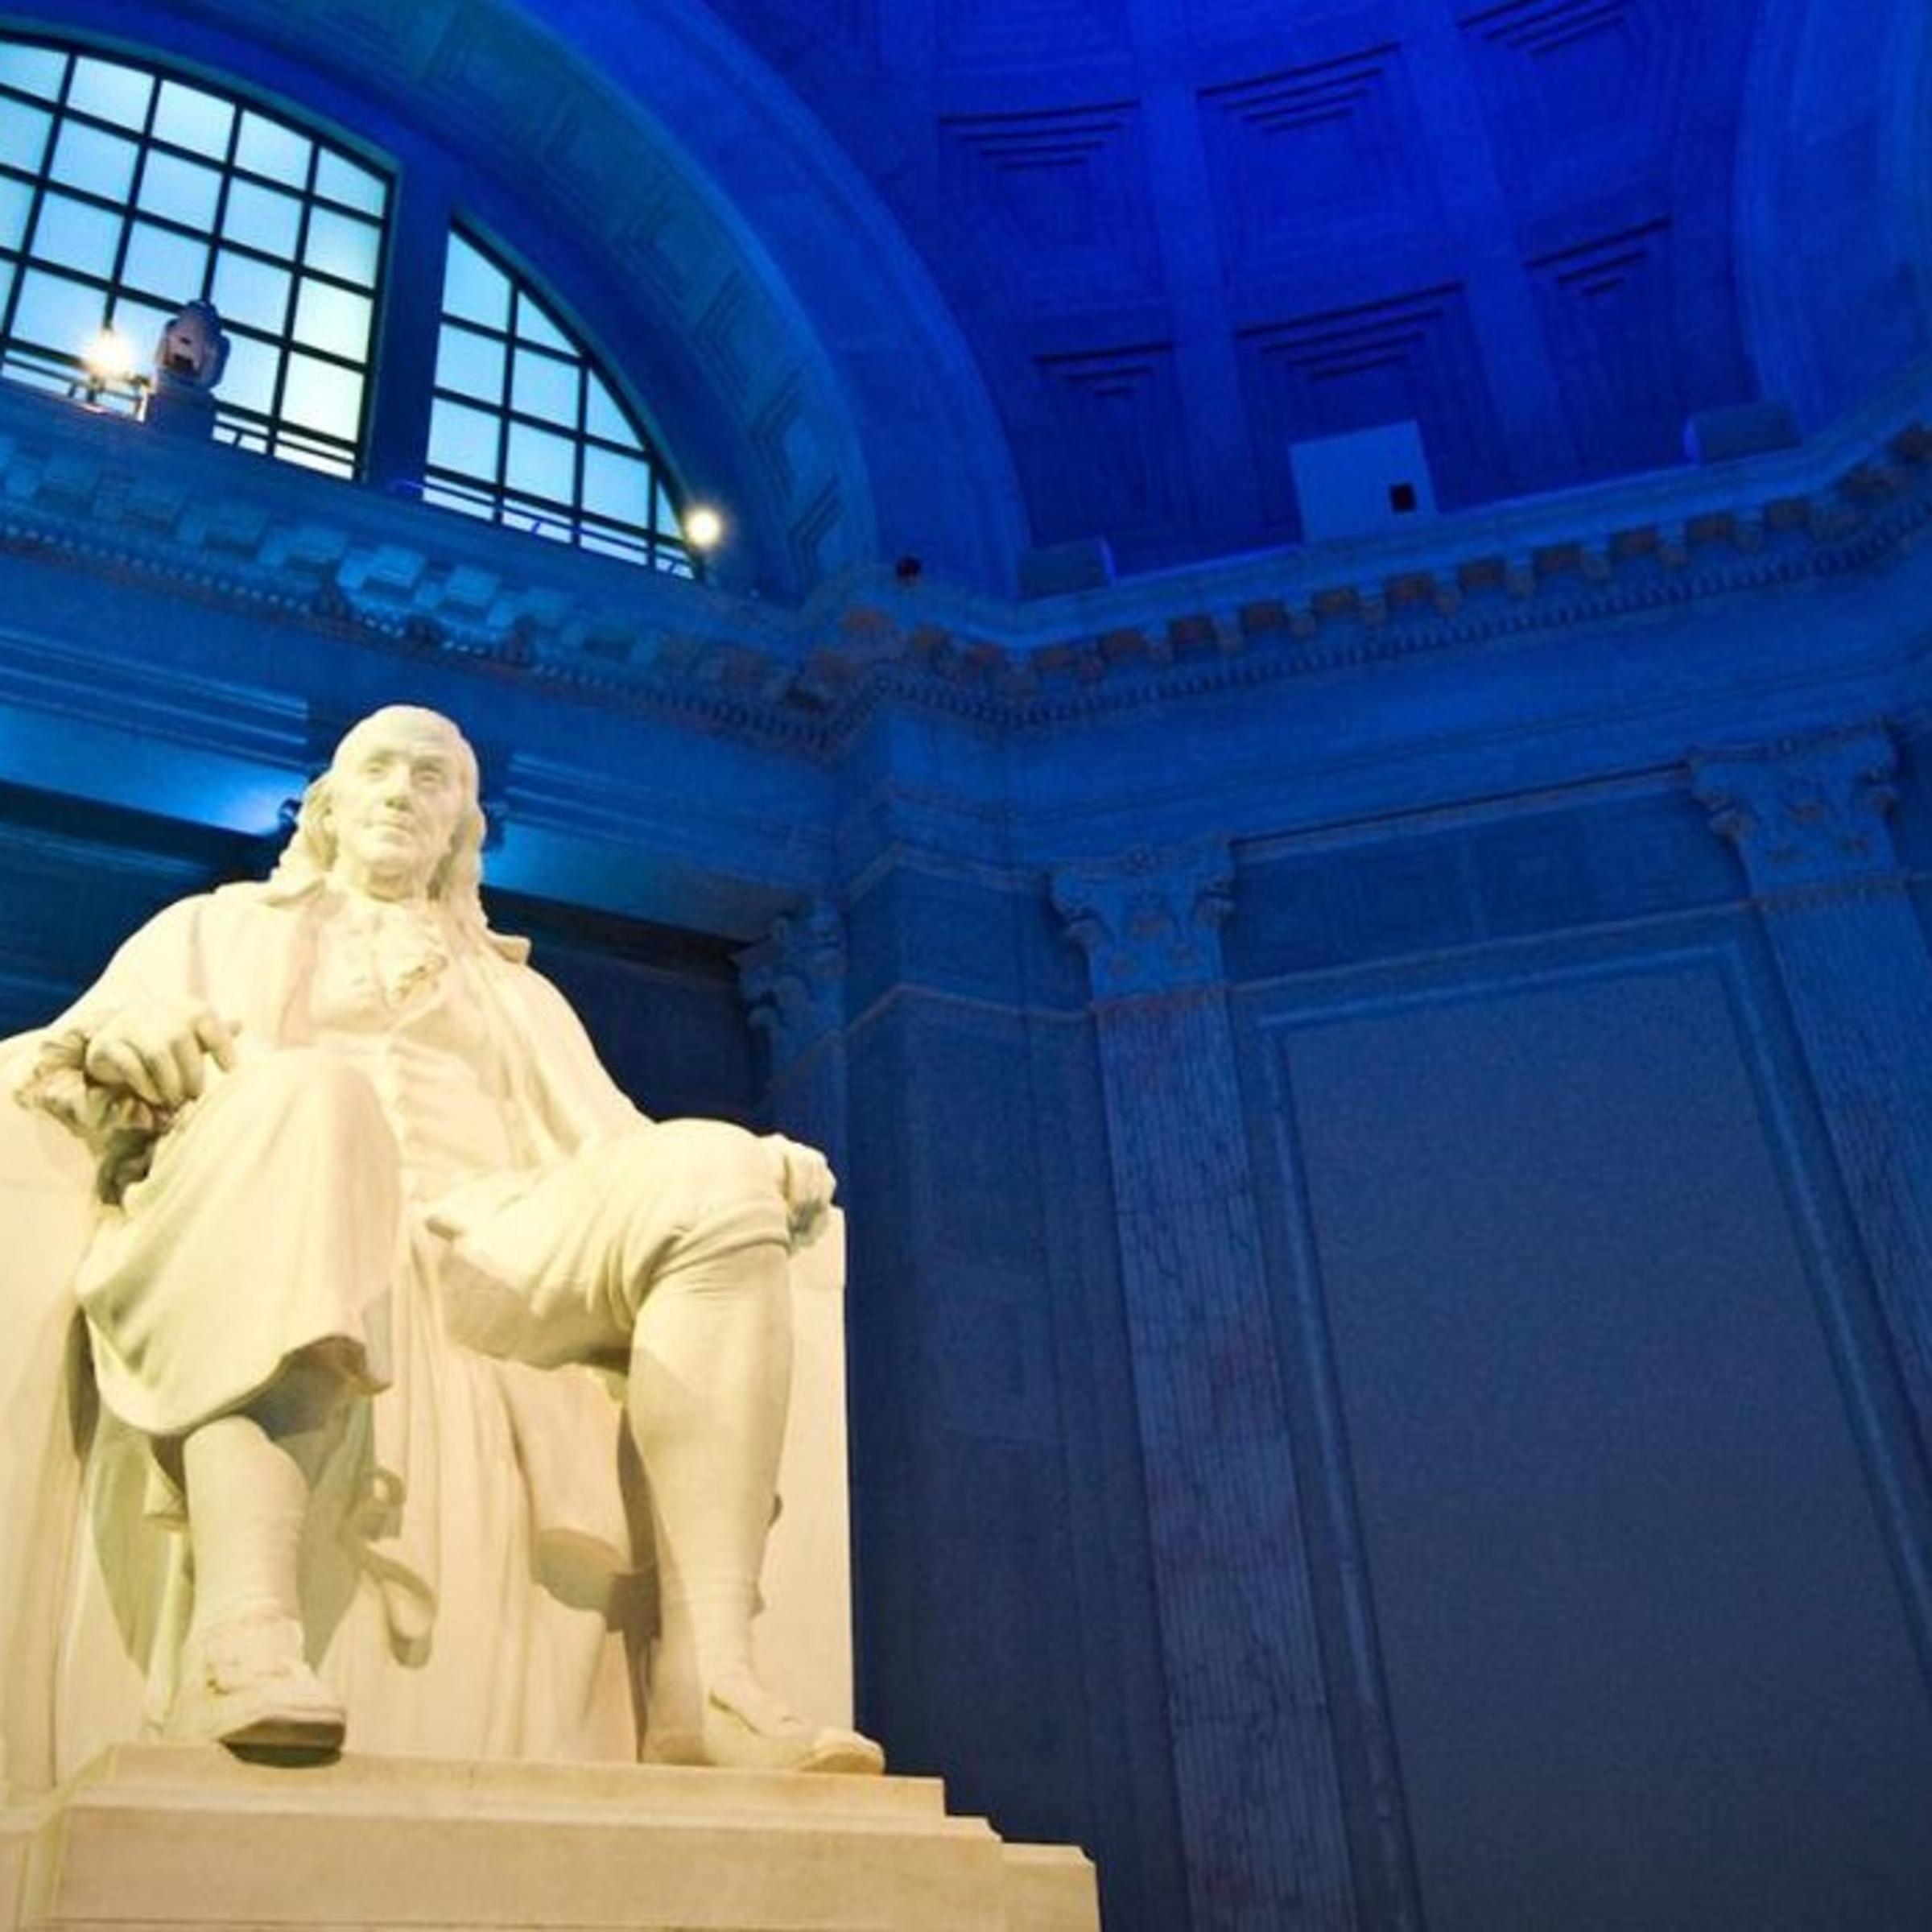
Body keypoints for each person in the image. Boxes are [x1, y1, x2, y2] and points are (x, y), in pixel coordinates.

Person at [9, 704, 881, 1776]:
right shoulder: (213, 931)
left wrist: (748, 1172)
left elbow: (611, 1140)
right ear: (325, 808)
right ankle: (243, 1636)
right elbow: (68, 1052)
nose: (402, 794)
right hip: (282, 1193)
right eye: (378, 770)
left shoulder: (514, 992)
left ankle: (712, 1682)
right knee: (314, 1100)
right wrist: (119, 1037)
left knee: (710, 1168)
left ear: (461, 831)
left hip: (489, 1230)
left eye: (435, 782)